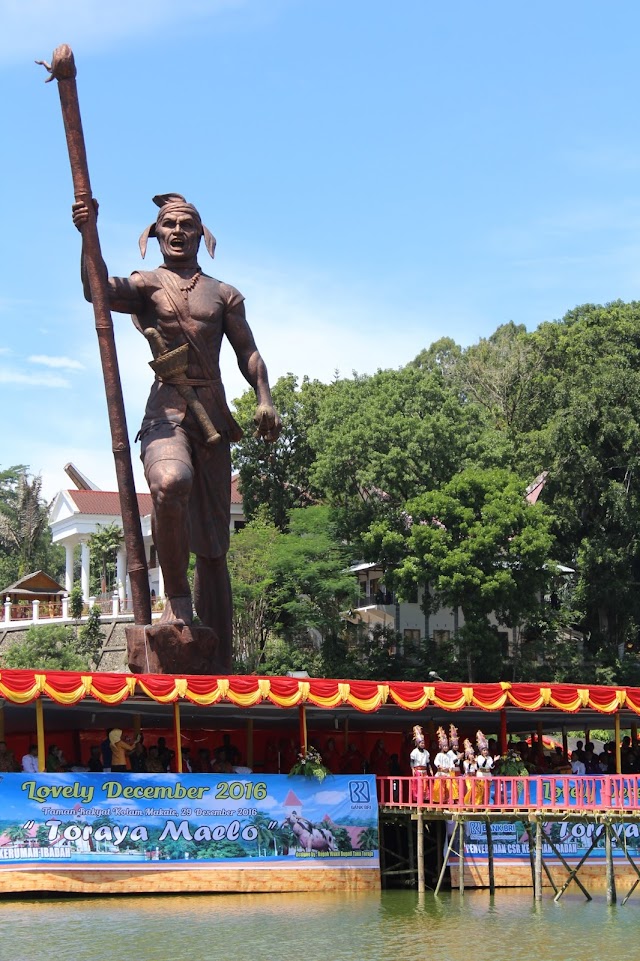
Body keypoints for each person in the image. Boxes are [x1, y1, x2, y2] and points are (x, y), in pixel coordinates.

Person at [72, 194, 281, 658]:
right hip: (166, 410)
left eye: (188, 224)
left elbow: (248, 351)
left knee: (213, 539)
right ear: (154, 234)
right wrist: (90, 234)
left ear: (203, 235)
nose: (178, 231)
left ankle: (216, 641)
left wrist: (265, 398)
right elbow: (97, 291)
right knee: (170, 482)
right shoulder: (147, 284)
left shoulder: (224, 293)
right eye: (169, 224)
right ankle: (178, 601)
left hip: (213, 416)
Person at [410, 726, 431, 802]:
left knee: (425, 787)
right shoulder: (414, 752)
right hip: (418, 771)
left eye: (423, 743)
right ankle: (419, 801)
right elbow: (412, 761)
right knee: (418, 787)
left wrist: (430, 769)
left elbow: (428, 762)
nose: (423, 744)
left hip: (424, 771)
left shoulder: (426, 752)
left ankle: (424, 801)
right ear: (418, 743)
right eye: (421, 743)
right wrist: (412, 769)